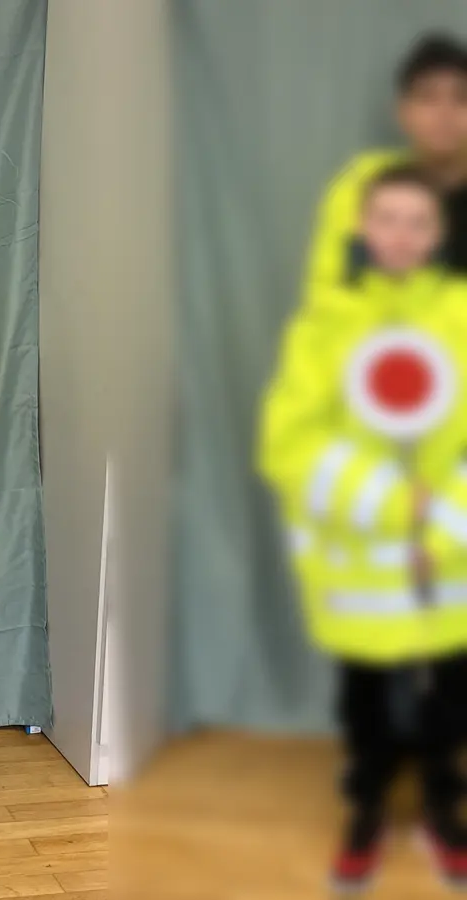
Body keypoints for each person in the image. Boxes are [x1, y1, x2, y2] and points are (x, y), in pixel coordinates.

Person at [259, 166, 467, 893]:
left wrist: (445, 517)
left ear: (438, 234)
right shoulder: (326, 328)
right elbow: (291, 441)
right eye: (388, 218)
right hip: (360, 572)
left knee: (451, 706)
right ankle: (367, 816)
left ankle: (445, 814)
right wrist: (386, 499)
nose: (403, 235)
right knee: (368, 709)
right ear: (361, 229)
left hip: (454, 568)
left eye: (419, 221)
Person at [304, 32, 467, 294]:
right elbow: (331, 286)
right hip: (379, 330)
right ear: (403, 113)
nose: (444, 113)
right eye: (428, 98)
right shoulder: (363, 184)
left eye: (461, 98)